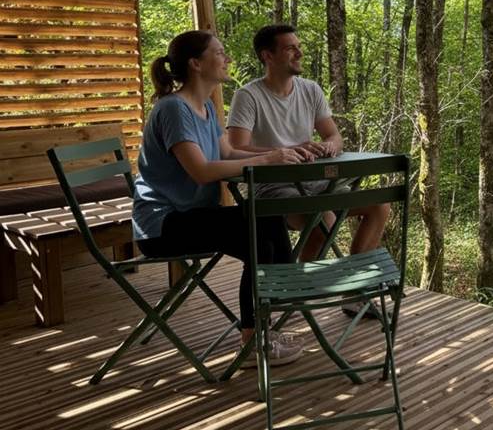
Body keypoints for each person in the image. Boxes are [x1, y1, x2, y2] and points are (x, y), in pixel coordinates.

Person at [132, 30, 304, 366]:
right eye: (220, 53)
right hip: (163, 226)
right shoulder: (173, 110)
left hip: (195, 216)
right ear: (196, 64)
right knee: (256, 235)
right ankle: (253, 340)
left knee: (266, 215)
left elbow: (229, 150)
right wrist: (269, 160)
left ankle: (274, 312)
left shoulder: (207, 107)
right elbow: (202, 171)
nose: (229, 59)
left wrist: (285, 151)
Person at [227, 24, 389, 267]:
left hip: (317, 181)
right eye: (291, 48)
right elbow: (235, 150)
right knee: (324, 218)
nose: (300, 53)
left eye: (299, 47)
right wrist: (284, 152)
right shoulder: (248, 96)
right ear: (267, 56)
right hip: (272, 188)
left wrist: (330, 146)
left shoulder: (311, 90)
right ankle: (304, 286)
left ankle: (355, 284)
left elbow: (333, 135)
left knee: (380, 206)